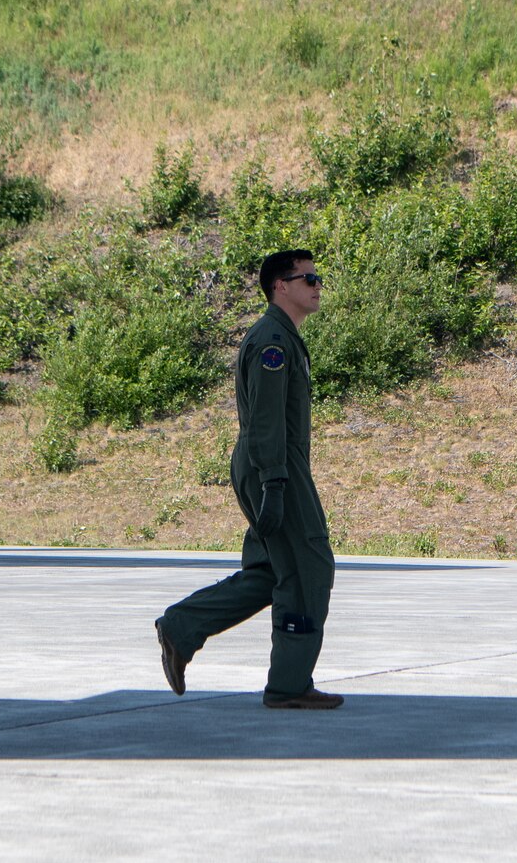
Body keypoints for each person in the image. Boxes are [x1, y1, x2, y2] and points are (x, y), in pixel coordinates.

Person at [155, 248, 342, 709]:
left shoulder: (282, 336)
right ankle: (289, 685)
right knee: (306, 569)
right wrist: (276, 484)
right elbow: (265, 421)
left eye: (319, 279)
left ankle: (182, 626)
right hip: (273, 465)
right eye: (308, 279)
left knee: (271, 571)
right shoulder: (272, 342)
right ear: (281, 286)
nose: (318, 287)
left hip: (271, 464)